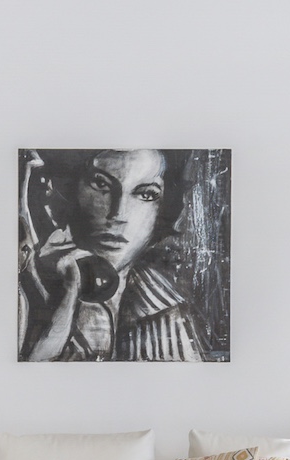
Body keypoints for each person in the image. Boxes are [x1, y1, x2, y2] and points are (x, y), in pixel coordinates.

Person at [20, 148, 207, 361]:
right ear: (67, 188)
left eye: (146, 194)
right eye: (101, 185)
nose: (119, 214)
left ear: (163, 208)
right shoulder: (25, 291)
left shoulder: (164, 306)